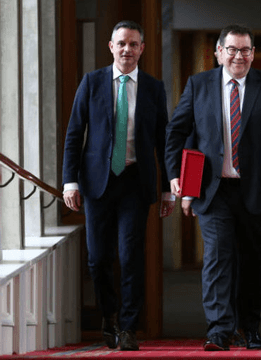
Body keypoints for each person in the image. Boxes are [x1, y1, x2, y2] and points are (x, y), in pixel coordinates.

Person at [164, 24, 261, 352]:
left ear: (253, 53)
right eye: (233, 49)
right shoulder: (199, 85)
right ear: (219, 52)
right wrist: (175, 175)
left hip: (256, 190)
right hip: (214, 190)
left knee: (253, 261)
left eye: (246, 50)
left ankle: (249, 328)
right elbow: (176, 132)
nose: (239, 56)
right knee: (218, 258)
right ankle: (220, 329)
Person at [62, 20, 173, 351]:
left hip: (134, 183)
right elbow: (74, 134)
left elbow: (163, 140)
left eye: (134, 44)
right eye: (122, 43)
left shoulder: (153, 88)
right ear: (111, 47)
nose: (127, 49)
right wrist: (69, 181)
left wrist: (168, 187)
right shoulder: (92, 82)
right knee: (98, 258)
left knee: (130, 256)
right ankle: (108, 316)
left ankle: (128, 327)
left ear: (142, 49)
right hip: (97, 183)